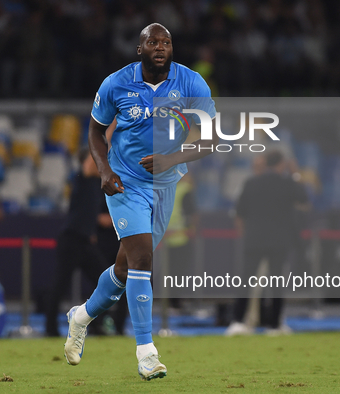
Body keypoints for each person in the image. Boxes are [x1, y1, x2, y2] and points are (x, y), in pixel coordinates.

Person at [63, 23, 216, 380]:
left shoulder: (192, 83)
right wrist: (103, 170)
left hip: (165, 185)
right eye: (153, 41)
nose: (160, 46)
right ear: (140, 49)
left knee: (124, 269)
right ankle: (147, 353)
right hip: (125, 183)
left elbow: (208, 140)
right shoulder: (116, 83)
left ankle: (81, 316)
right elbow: (95, 130)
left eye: (166, 42)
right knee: (142, 258)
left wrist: (171, 159)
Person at [226, 150, 308, 335]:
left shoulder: (251, 183)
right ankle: (274, 325)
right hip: (278, 241)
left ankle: (237, 322)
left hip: (253, 239)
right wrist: (295, 173)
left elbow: (239, 213)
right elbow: (304, 199)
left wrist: (245, 235)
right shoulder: (287, 183)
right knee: (277, 283)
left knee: (245, 281)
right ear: (281, 164)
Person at [45, 147, 108, 337]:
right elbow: (90, 164)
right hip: (71, 239)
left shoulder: (97, 183)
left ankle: (97, 324)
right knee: (59, 286)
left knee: (106, 281)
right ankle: (50, 329)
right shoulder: (82, 177)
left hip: (86, 242)